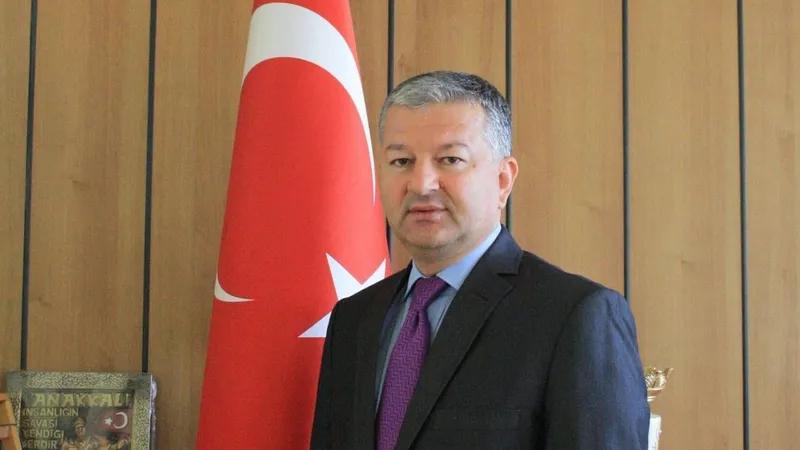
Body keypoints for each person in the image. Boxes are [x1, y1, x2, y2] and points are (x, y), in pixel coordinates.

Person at [310, 71, 650, 449]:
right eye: (401, 161)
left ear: (503, 180)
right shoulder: (354, 319)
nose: (421, 184)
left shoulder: (575, 316)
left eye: (450, 159)